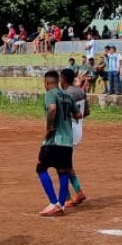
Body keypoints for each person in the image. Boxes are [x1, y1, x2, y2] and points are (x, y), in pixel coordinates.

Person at [36, 69, 77, 216]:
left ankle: (54, 202)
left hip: (54, 140)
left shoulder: (50, 94)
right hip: (67, 141)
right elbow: (78, 114)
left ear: (47, 83)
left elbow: (52, 108)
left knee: (40, 168)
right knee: (63, 171)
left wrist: (49, 127)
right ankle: (61, 205)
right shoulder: (67, 95)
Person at [60, 67, 88, 207]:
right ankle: (77, 192)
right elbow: (86, 112)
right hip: (78, 132)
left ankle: (67, 198)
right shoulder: (81, 91)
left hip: (67, 132)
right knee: (66, 164)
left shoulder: (64, 94)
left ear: (63, 79)